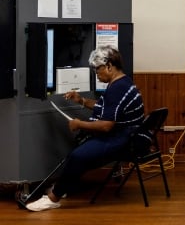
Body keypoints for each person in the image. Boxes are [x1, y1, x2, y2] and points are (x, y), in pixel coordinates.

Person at [25, 46, 145, 211]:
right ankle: (63, 187)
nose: (97, 74)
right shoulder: (123, 82)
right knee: (82, 151)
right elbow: (106, 107)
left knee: (78, 155)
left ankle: (53, 198)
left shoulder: (117, 88)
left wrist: (78, 124)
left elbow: (106, 126)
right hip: (131, 135)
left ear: (109, 66)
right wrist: (81, 100)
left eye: (98, 70)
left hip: (125, 140)